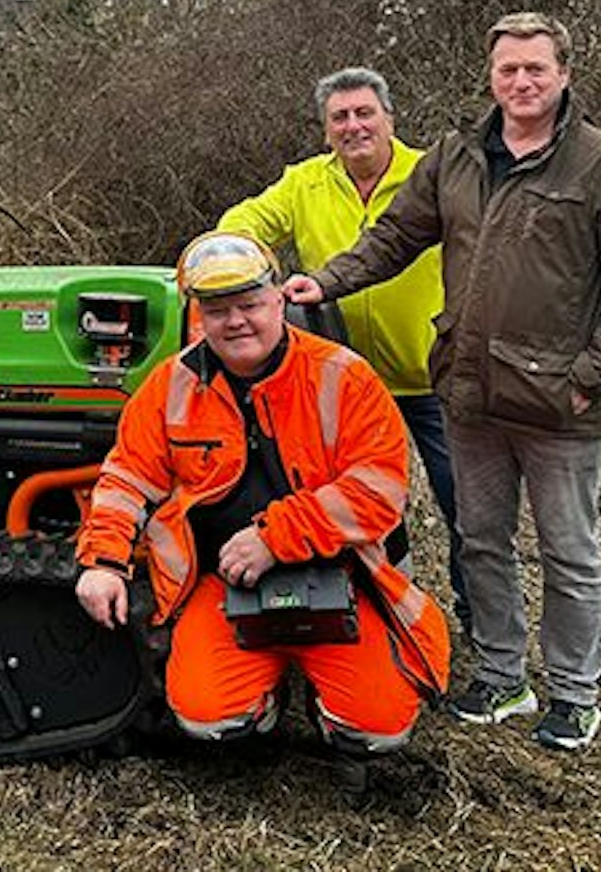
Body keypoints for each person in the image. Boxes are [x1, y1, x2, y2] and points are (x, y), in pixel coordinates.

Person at [283, 13, 601, 751]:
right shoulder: (457, 156)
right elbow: (395, 236)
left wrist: (590, 377)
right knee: (481, 540)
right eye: (508, 70)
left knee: (569, 552)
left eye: (535, 68)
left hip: (560, 403)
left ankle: (574, 694)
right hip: (470, 393)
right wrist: (325, 282)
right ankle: (500, 676)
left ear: (563, 74)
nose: (521, 82)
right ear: (491, 77)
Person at [76, 231, 450, 770]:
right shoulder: (168, 387)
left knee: (377, 727)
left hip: (340, 577)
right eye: (217, 310)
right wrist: (104, 561)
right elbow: (126, 478)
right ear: (199, 316)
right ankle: (262, 703)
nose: (236, 322)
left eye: (250, 305)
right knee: (206, 717)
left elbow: (378, 490)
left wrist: (274, 538)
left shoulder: (345, 377)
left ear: (278, 299)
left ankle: (326, 706)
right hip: (221, 583)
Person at [218, 67, 468, 634]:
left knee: (465, 506)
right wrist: (244, 266)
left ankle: (475, 620)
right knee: (355, 505)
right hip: (341, 388)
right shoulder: (304, 183)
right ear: (326, 129)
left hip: (433, 377)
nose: (353, 126)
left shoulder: (431, 175)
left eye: (364, 113)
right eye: (340, 117)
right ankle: (376, 612)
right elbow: (244, 222)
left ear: (389, 119)